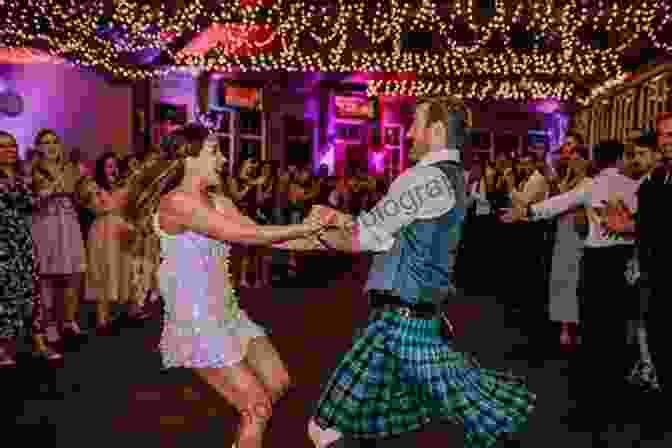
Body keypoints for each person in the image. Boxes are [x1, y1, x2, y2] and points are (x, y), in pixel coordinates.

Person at [281, 98, 535, 448]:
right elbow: (386, 230)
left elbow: (362, 239)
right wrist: (336, 220)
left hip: (399, 322)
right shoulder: (453, 177)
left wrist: (292, 234)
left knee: (327, 426)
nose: (409, 133)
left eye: (415, 124)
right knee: (364, 420)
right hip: (413, 316)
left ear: (437, 132)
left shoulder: (423, 178)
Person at [124, 124, 336, 448]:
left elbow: (265, 237)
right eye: (214, 152)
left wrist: (340, 239)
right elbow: (245, 236)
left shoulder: (218, 201)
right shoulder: (176, 203)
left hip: (227, 312)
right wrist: (305, 225)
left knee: (278, 382)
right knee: (256, 408)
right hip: (196, 320)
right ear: (188, 158)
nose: (223, 160)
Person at [501, 139, 639, 433]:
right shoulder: (634, 186)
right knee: (618, 322)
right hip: (623, 259)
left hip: (595, 261)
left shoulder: (590, 186)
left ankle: (591, 387)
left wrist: (526, 213)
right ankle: (618, 383)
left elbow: (555, 205)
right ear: (619, 159)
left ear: (598, 160)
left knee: (592, 322)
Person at [0, 130, 59, 365]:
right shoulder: (14, 179)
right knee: (6, 293)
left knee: (30, 290)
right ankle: (3, 347)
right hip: (3, 241)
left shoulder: (20, 176)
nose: (9, 150)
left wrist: (46, 193)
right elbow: (14, 199)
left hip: (21, 239)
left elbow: (29, 204)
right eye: (3, 146)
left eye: (12, 146)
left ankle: (38, 342)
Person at [31, 129, 88, 347]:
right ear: (38, 147)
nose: (51, 146)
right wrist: (54, 188)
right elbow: (35, 198)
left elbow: (80, 196)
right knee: (48, 277)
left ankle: (69, 320)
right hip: (46, 224)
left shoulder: (70, 168)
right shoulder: (33, 170)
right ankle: (49, 323)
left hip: (69, 222)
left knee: (72, 274)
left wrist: (80, 183)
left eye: (54, 142)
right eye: (46, 143)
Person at [637, 112, 672, 440]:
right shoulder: (658, 178)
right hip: (657, 276)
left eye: (671, 134)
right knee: (659, 342)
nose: (666, 140)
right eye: (662, 135)